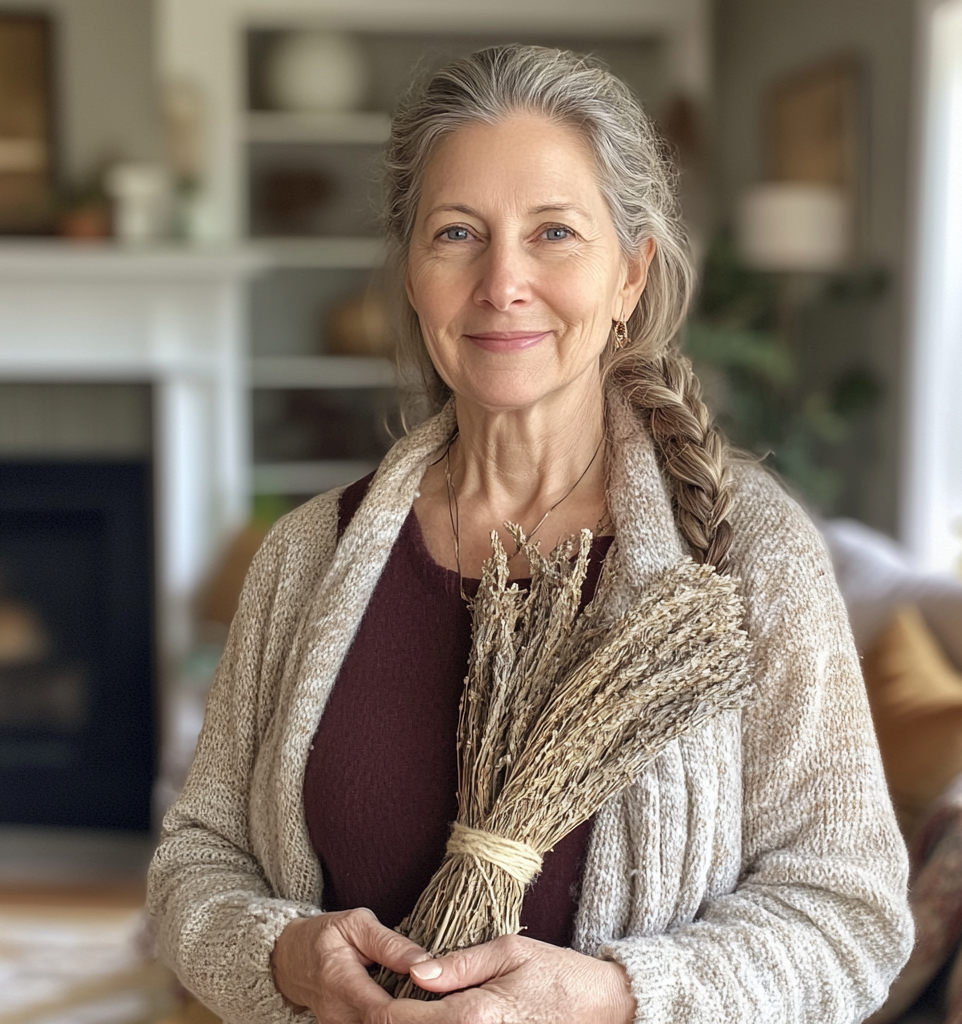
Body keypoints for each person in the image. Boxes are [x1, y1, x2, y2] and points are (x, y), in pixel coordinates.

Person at [147, 44, 913, 1024]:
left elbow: (850, 919)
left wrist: (615, 999)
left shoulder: (752, 559)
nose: (502, 281)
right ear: (414, 273)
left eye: (553, 232)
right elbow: (196, 857)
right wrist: (285, 957)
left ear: (629, 274)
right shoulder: (306, 556)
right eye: (458, 233)